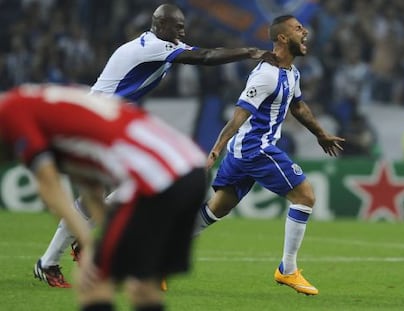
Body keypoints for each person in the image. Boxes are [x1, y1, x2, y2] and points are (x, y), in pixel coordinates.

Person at [33, 3, 277, 288]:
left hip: (104, 123)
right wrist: (250, 52)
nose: (183, 31)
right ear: (160, 24)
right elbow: (206, 56)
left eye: (183, 26)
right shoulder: (152, 46)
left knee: (115, 191)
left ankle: (65, 252)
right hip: (92, 123)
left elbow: (200, 52)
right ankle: (53, 260)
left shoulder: (163, 43)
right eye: (177, 26)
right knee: (122, 188)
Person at [0, 84, 207, 311]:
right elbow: (91, 189)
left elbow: (50, 187)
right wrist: (100, 241)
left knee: (93, 281)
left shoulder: (11, 111)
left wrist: (89, 245)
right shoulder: (50, 109)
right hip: (190, 168)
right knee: (142, 286)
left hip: (156, 178)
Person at [192, 15, 345, 296]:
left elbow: (298, 107)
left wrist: (320, 133)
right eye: (298, 28)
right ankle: (287, 270)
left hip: (244, 153)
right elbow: (239, 116)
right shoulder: (266, 74)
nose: (305, 31)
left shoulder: (291, 73)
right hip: (255, 148)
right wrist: (216, 148)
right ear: (283, 38)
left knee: (216, 209)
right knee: (305, 196)